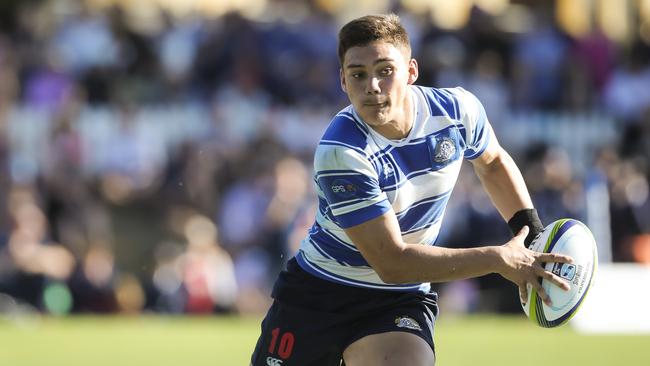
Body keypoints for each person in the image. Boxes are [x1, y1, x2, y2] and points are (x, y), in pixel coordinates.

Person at [250, 14, 573, 366]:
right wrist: (497, 259)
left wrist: (532, 235)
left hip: (396, 299)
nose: (372, 85)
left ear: (411, 71)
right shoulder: (342, 151)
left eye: (385, 70)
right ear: (343, 81)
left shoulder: (458, 110)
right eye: (358, 74)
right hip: (318, 293)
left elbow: (492, 162)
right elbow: (392, 262)